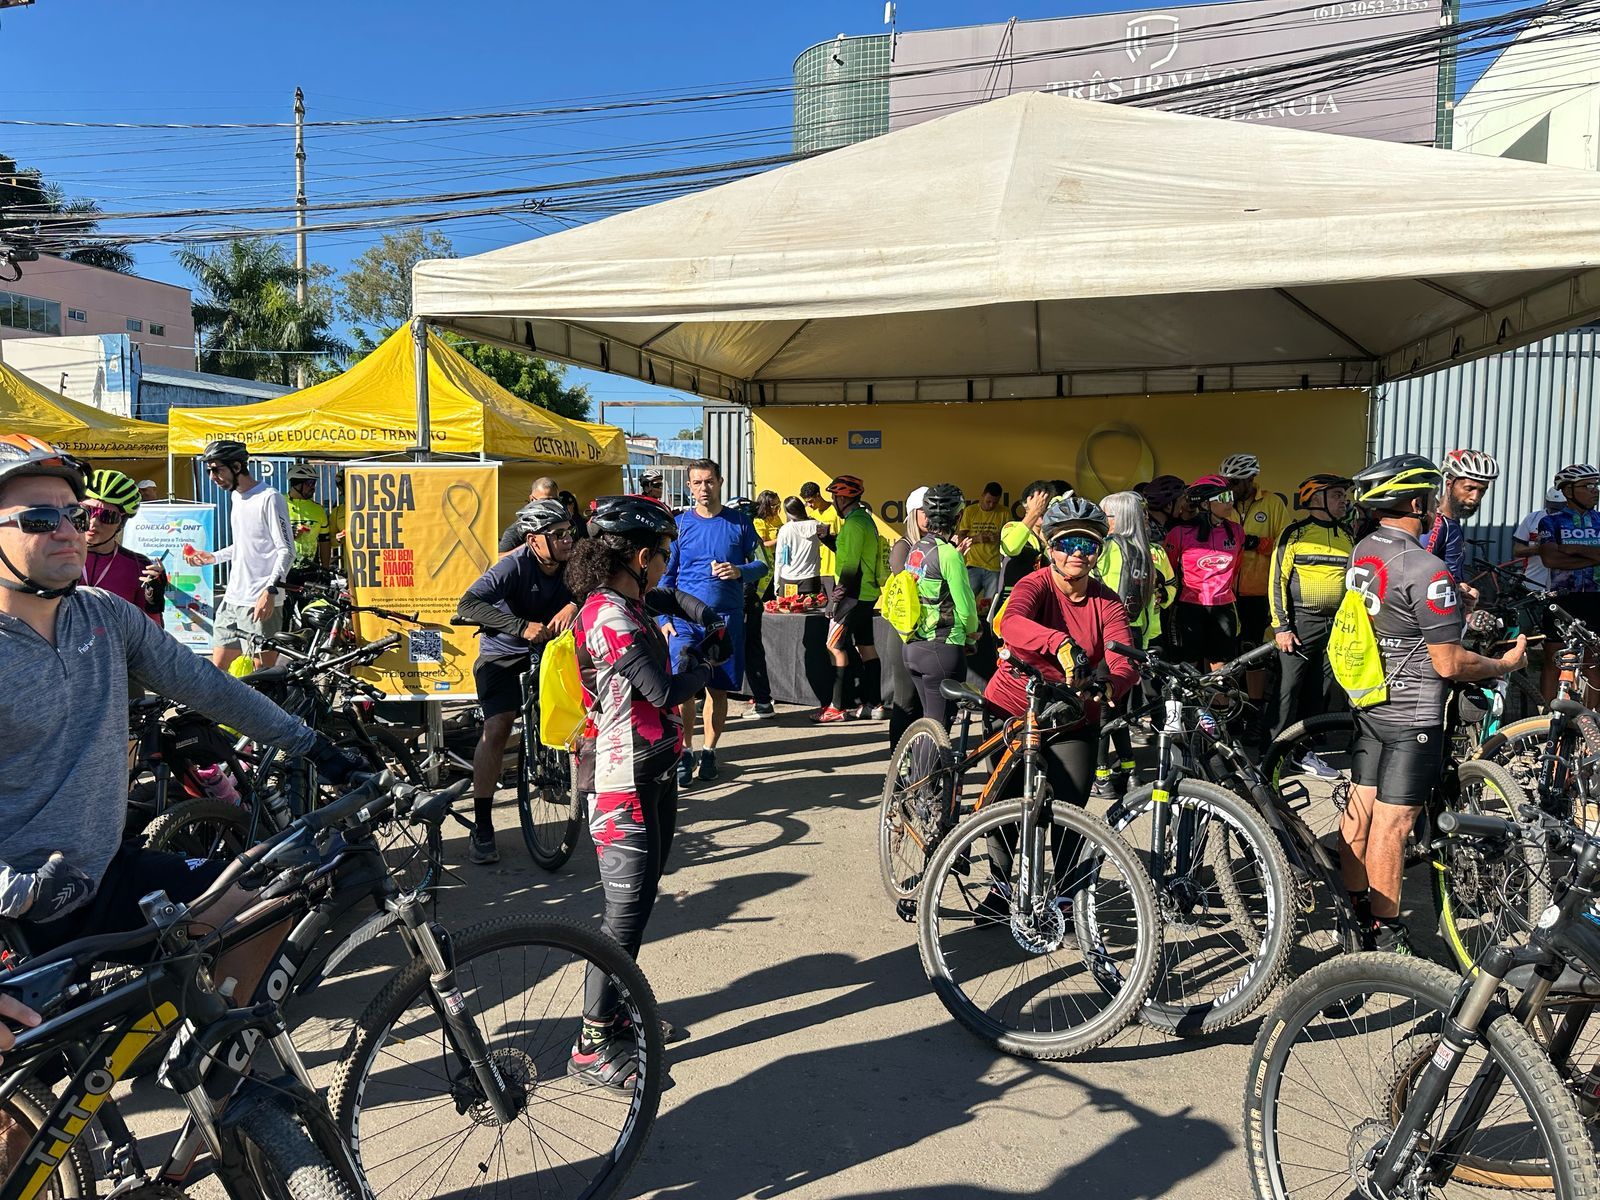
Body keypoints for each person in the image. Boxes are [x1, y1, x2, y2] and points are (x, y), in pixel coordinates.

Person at [0, 433, 361, 963]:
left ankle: (207, 1046)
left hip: (103, 873)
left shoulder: (104, 614)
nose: (69, 532)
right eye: (38, 520)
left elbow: (209, 687)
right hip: (17, 916)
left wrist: (315, 747)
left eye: (76, 516)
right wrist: (17, 891)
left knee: (267, 902)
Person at [565, 495, 726, 1089]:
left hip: (653, 771)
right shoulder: (608, 614)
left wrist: (709, 622)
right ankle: (589, 1043)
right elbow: (660, 691)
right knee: (622, 917)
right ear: (636, 556)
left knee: (642, 901)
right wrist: (707, 665)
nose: (666, 564)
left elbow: (673, 598)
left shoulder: (632, 598)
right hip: (619, 779)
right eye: (661, 554)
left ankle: (616, 1011)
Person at [1340, 454, 1526, 953]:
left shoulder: (1365, 548)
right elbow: (1449, 663)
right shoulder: (1427, 566)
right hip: (1414, 712)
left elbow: (1395, 610)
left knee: (1358, 812)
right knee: (1393, 825)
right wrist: (1504, 666)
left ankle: (1354, 916)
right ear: (1418, 502)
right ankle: (1387, 934)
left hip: (1372, 701)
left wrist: (1442, 604)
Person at [979, 495, 1139, 915]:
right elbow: (1011, 624)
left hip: (1072, 714)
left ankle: (1066, 896)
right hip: (1014, 704)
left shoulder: (1107, 601)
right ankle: (999, 887)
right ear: (1050, 548)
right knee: (1007, 804)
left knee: (1070, 806)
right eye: (1067, 544)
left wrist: (1111, 684)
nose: (1076, 554)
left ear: (1098, 551)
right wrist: (1059, 642)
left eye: (1087, 545)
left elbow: (1124, 658)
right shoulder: (1035, 585)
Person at [454, 498, 578, 864]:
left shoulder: (572, 562)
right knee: (498, 726)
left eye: (568, 532)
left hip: (551, 652)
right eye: (558, 535)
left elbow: (597, 587)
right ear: (533, 539)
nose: (567, 540)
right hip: (503, 654)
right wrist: (520, 626)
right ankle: (483, 825)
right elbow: (468, 605)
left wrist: (575, 604)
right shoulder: (513, 566)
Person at [661, 458, 766, 786]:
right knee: (682, 691)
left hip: (724, 620)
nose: (704, 488)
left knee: (717, 690)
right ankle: (685, 751)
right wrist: (664, 617)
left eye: (709, 482)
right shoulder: (679, 526)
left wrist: (739, 571)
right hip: (685, 621)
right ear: (689, 487)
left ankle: (709, 750)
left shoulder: (740, 523)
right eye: (697, 483)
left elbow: (763, 564)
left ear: (720, 482)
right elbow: (665, 575)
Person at [184, 439, 295, 671]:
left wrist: (270, 590)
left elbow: (286, 550)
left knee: (262, 676)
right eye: (208, 471)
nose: (212, 477)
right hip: (232, 598)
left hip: (260, 600)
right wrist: (213, 557)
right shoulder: (236, 496)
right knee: (217, 671)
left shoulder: (269, 497)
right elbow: (246, 545)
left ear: (237, 467)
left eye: (216, 470)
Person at [1268, 474, 1354, 771]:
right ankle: (1275, 754)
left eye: (1344, 495)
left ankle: (1303, 752)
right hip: (1301, 622)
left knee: (1323, 689)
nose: (1344, 500)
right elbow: (1276, 581)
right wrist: (1281, 627)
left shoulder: (1347, 535)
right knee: (1288, 690)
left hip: (1336, 624)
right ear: (1316, 499)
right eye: (1338, 495)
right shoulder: (1295, 533)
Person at [1092, 490, 1172, 799]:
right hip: (1134, 637)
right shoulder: (1147, 552)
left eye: (1106, 517)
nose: (1102, 522)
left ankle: (1101, 777)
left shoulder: (1109, 549)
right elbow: (1154, 602)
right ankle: (1130, 772)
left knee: (1099, 709)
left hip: (1106, 637)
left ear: (1118, 519)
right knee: (1119, 710)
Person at [903, 484, 979, 730]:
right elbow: (967, 610)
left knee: (928, 724)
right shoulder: (948, 555)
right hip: (943, 647)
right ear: (958, 516)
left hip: (914, 646)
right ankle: (927, 770)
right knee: (940, 725)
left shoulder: (917, 548)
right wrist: (972, 633)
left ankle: (916, 768)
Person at [814, 474, 885, 723]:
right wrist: (829, 541)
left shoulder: (854, 524)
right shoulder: (864, 520)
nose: (833, 501)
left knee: (834, 646)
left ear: (843, 498)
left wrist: (835, 600)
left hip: (852, 596)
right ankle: (874, 704)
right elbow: (850, 554)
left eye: (835, 496)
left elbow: (851, 566)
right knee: (865, 648)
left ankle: (836, 707)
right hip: (865, 595)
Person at [1164, 475, 1244, 670]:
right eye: (1223, 498)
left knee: (1220, 663)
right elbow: (1169, 571)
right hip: (1189, 606)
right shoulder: (1179, 533)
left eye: (1231, 496)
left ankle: (1218, 701)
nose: (1230, 502)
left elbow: (1236, 568)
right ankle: (1189, 701)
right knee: (1187, 662)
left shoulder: (1236, 531)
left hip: (1224, 605)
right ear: (1206, 504)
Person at [1537, 463, 1600, 701]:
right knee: (1554, 659)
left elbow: (1559, 556)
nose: (1596, 490)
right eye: (1589, 486)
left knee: (1592, 663)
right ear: (1568, 491)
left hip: (1596, 597)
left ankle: (1592, 724)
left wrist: (1570, 549)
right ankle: (1545, 719)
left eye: (1597, 485)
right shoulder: (1550, 522)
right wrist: (1593, 555)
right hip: (1562, 599)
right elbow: (1550, 558)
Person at [81, 468, 166, 624]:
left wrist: (154, 605)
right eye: (87, 511)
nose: (93, 522)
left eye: (107, 516)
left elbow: (153, 635)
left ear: (122, 522)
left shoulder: (140, 567)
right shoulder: (53, 557)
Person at [885, 487, 928, 747]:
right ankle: (898, 760)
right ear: (913, 514)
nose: (930, 516)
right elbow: (910, 586)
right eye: (924, 511)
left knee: (924, 702)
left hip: (926, 632)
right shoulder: (904, 547)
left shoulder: (935, 546)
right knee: (905, 700)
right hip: (903, 633)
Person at [994, 479, 1070, 622]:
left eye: (1046, 505)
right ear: (1026, 506)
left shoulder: (1055, 537)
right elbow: (1010, 547)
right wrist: (1034, 513)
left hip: (1046, 606)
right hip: (1013, 607)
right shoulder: (1012, 527)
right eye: (1038, 504)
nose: (1042, 510)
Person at [1426, 448, 1499, 594]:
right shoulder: (1437, 525)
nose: (1475, 497)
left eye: (1482, 490)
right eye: (1469, 488)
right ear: (1449, 484)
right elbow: (1415, 575)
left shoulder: (1452, 522)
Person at [741, 489, 782, 719]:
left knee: (749, 648)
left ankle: (762, 701)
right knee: (749, 648)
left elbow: (758, 565)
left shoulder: (747, 537)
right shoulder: (752, 529)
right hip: (753, 596)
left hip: (749, 598)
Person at [958, 482, 1007, 608]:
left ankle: (986, 627)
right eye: (988, 501)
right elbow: (960, 538)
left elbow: (1009, 539)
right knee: (965, 603)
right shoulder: (970, 511)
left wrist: (998, 537)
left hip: (994, 567)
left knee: (989, 607)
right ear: (982, 495)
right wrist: (977, 538)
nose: (991, 505)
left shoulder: (1004, 512)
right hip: (973, 565)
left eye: (995, 503)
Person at [1513, 486, 1565, 591]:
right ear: (1547, 502)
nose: (1555, 512)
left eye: (1559, 508)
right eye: (1553, 507)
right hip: (1533, 580)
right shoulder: (1532, 518)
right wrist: (1538, 549)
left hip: (1564, 582)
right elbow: (1517, 551)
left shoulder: (1576, 522)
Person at [497, 476, 561, 553]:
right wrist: (530, 545)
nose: (550, 505)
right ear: (532, 499)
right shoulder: (518, 528)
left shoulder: (566, 524)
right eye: (544, 501)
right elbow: (500, 558)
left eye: (554, 500)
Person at [775, 496, 823, 595]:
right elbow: (823, 543)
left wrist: (776, 583)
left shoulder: (785, 529)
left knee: (790, 608)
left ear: (787, 512)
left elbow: (779, 558)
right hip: (811, 578)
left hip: (788, 579)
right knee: (812, 608)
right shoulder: (817, 525)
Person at [285, 463, 330, 570]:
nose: (313, 488)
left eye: (314, 483)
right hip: (284, 570)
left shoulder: (319, 510)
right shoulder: (278, 504)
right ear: (296, 484)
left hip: (310, 570)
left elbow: (325, 541)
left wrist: (325, 569)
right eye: (310, 483)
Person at [801, 481, 841, 585]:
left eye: (811, 501)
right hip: (817, 569)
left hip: (834, 568)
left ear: (818, 495)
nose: (809, 505)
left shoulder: (836, 512)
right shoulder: (812, 516)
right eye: (807, 503)